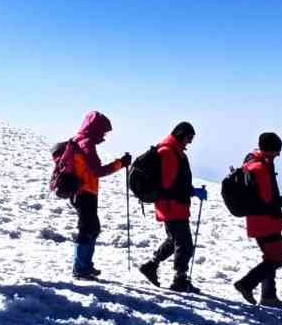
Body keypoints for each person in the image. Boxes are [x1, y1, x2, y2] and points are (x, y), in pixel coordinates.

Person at [232, 132, 282, 308]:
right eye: (276, 151)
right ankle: (246, 284)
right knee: (277, 259)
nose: (278, 155)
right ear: (270, 150)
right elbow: (269, 200)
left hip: (256, 220)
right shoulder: (261, 169)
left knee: (270, 257)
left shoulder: (252, 162)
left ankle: (268, 296)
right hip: (266, 222)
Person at [58, 111, 131, 279]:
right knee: (87, 229)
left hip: (82, 191)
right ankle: (80, 268)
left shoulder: (79, 140)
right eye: (103, 131)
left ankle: (85, 265)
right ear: (96, 129)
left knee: (92, 228)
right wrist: (120, 163)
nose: (104, 135)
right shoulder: (86, 144)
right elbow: (97, 171)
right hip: (84, 192)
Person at [138, 122, 205, 292]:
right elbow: (169, 184)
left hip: (173, 204)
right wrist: (192, 191)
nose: (190, 142)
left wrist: (190, 191)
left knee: (174, 240)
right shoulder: (168, 152)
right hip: (171, 205)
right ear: (181, 134)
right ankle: (179, 280)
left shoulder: (174, 151)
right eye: (189, 137)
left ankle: (151, 266)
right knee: (185, 244)